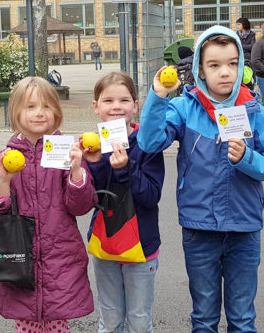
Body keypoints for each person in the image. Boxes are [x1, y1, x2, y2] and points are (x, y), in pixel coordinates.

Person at [137, 25, 264, 332]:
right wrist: (158, 97)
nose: (224, 72)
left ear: (241, 64)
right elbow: (149, 143)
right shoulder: (183, 108)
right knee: (203, 317)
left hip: (244, 227)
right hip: (199, 227)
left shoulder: (256, 112)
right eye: (214, 65)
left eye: (232, 63)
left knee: (242, 319)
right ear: (200, 70)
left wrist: (246, 158)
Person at [0, 76, 95, 332]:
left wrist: (77, 171)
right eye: (31, 107)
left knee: (58, 324)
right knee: (26, 325)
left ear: (56, 112)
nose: (40, 113)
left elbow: (79, 206)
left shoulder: (64, 151)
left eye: (47, 106)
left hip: (60, 259)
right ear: (16, 111)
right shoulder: (4, 158)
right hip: (19, 260)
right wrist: (4, 181)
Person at [83, 71, 165, 333]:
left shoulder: (147, 143)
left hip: (141, 246)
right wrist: (94, 164)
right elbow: (93, 199)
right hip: (106, 243)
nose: (116, 106)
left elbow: (151, 197)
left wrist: (125, 169)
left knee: (140, 320)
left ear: (136, 105)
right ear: (96, 107)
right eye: (108, 101)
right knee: (111, 319)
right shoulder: (93, 145)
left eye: (124, 100)